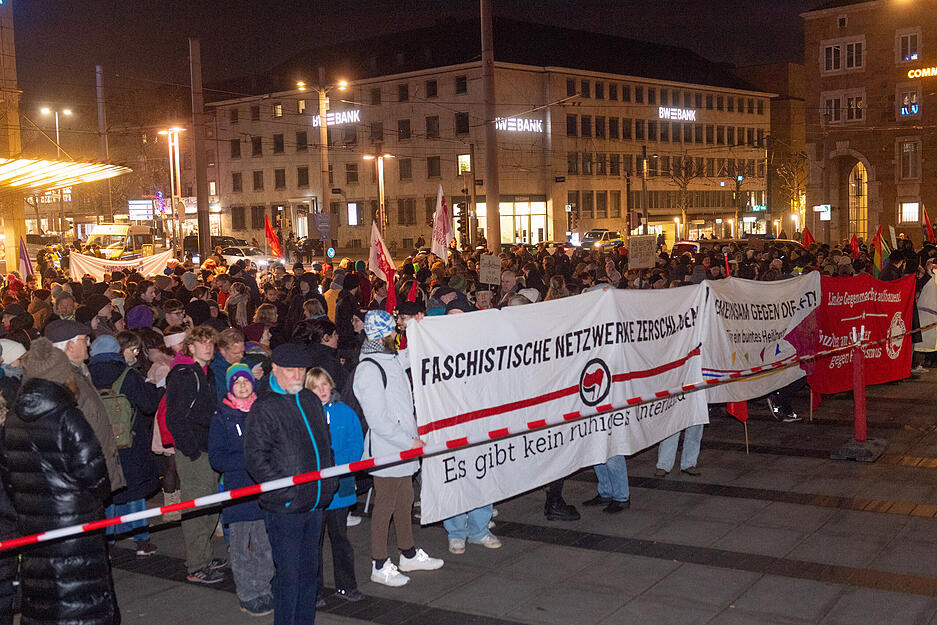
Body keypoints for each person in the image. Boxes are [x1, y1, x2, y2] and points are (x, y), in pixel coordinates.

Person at [0, 344, 120, 625]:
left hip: (33, 524)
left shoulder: (13, 419)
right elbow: (95, 475)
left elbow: (9, 475)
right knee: (79, 597)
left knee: (44, 595)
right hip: (74, 525)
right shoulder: (68, 416)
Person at [244, 344, 339, 625]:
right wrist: (287, 491)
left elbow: (324, 442)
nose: (297, 375)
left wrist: (329, 480)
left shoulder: (309, 400)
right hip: (286, 507)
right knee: (289, 576)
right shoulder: (265, 406)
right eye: (290, 370)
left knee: (310, 574)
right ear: (275, 370)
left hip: (315, 500)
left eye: (301, 370)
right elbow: (255, 460)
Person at [354, 310, 444, 587]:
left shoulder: (387, 358)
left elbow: (410, 355)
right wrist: (409, 443)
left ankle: (408, 552)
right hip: (389, 450)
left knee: (403, 502)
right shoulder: (369, 369)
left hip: (401, 449)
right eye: (394, 331)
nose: (397, 335)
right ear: (383, 335)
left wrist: (417, 328)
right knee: (385, 506)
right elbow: (379, 421)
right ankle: (379, 563)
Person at [88, 334, 162, 556]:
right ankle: (141, 539)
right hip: (129, 441)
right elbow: (148, 405)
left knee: (109, 488)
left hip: (100, 442)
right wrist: (155, 389)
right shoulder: (128, 375)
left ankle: (108, 540)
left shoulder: (85, 377)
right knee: (135, 489)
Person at [209, 364, 274, 616]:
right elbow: (217, 457)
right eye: (237, 382)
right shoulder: (221, 416)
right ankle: (247, 593)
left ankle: (263, 587)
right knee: (240, 546)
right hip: (237, 490)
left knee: (264, 542)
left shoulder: (262, 411)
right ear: (230, 387)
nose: (243, 385)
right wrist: (249, 460)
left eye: (246, 381)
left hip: (262, 489)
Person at [165, 325, 228, 584]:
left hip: (207, 448)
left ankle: (204, 555)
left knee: (210, 504)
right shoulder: (185, 374)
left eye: (211, 342)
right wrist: (191, 451)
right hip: (196, 452)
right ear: (190, 348)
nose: (208, 346)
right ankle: (196, 565)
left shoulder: (206, 373)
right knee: (197, 508)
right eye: (202, 343)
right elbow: (176, 417)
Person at [41, 320, 126, 493]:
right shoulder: (62, 378)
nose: (89, 344)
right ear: (70, 346)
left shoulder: (78, 372)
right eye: (84, 339)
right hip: (79, 477)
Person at [306, 367, 366, 603]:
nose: (322, 390)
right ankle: (315, 589)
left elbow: (356, 444)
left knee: (340, 538)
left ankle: (347, 585)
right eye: (315, 386)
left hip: (339, 485)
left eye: (325, 384)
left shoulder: (344, 412)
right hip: (315, 488)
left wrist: (337, 465)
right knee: (314, 542)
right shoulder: (305, 414)